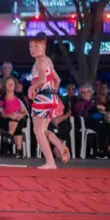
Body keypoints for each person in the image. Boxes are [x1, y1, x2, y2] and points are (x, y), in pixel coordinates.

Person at [28, 34, 70, 168]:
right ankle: (60, 147)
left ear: (44, 46)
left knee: (38, 130)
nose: (33, 49)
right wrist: (53, 93)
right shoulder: (48, 61)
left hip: (43, 98)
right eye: (31, 46)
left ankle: (50, 162)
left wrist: (31, 88)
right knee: (43, 129)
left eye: (36, 46)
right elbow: (57, 80)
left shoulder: (40, 61)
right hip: (50, 98)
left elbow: (42, 80)